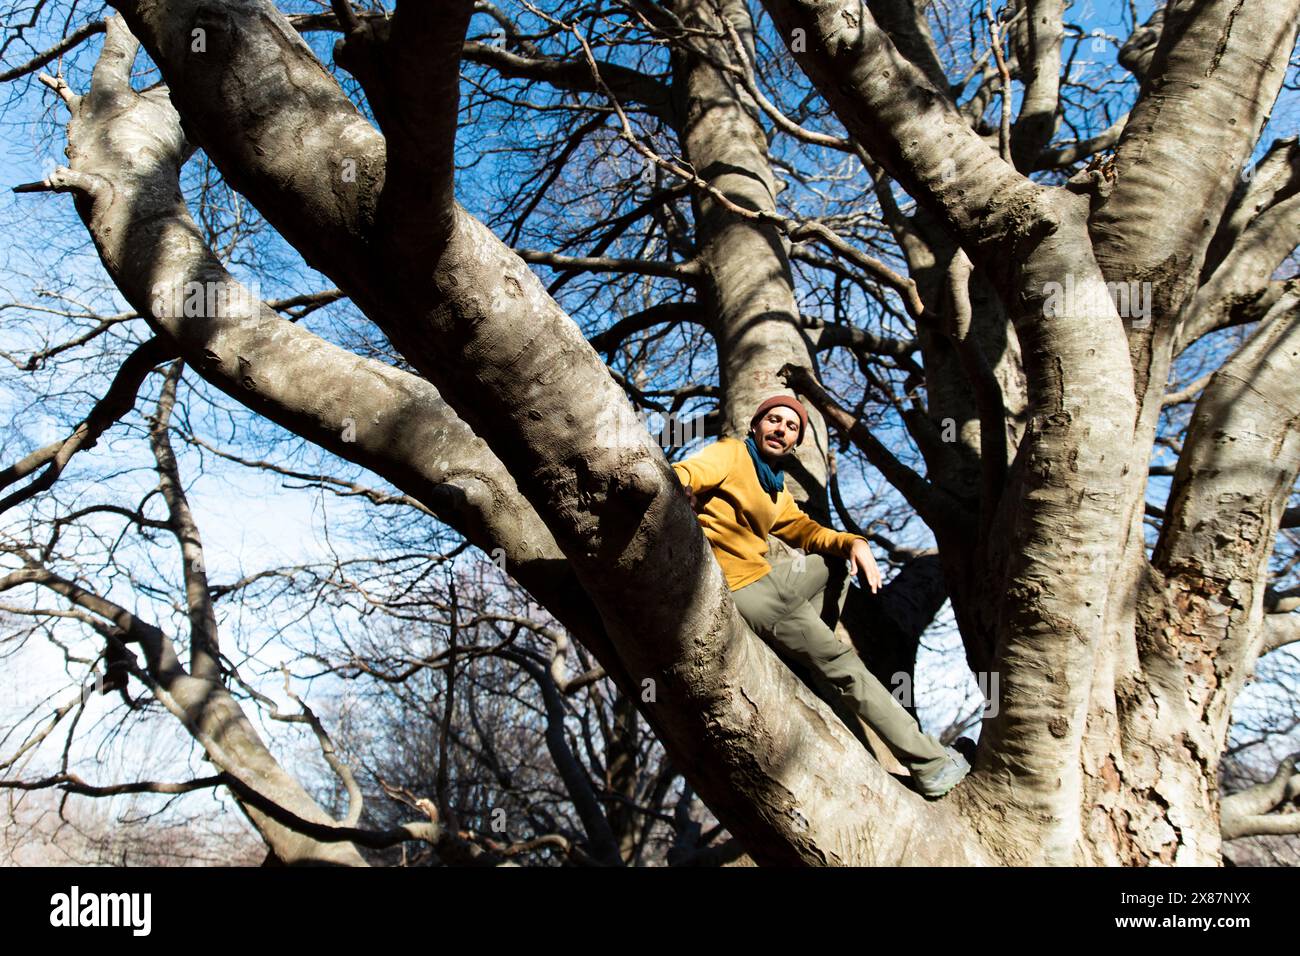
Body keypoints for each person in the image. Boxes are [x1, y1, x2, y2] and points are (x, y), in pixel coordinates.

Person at [672, 395, 970, 798]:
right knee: (847, 668)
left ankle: (805, 652)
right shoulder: (731, 453)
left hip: (769, 583)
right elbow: (685, 472)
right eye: (773, 420)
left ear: (796, 443)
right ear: (756, 426)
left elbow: (806, 530)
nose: (780, 429)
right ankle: (931, 764)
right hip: (748, 591)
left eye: (791, 427)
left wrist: (854, 543)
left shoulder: (773, 489)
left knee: (832, 564)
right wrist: (681, 491)